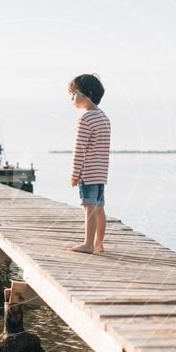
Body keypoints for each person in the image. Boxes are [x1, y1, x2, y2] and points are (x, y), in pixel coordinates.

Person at [68, 73, 111, 254]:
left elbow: (80, 150)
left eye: (74, 93)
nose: (71, 98)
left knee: (89, 208)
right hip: (101, 173)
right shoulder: (104, 117)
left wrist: (74, 173)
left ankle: (87, 244)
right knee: (99, 208)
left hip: (88, 172)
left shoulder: (85, 119)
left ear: (88, 94)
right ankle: (98, 244)